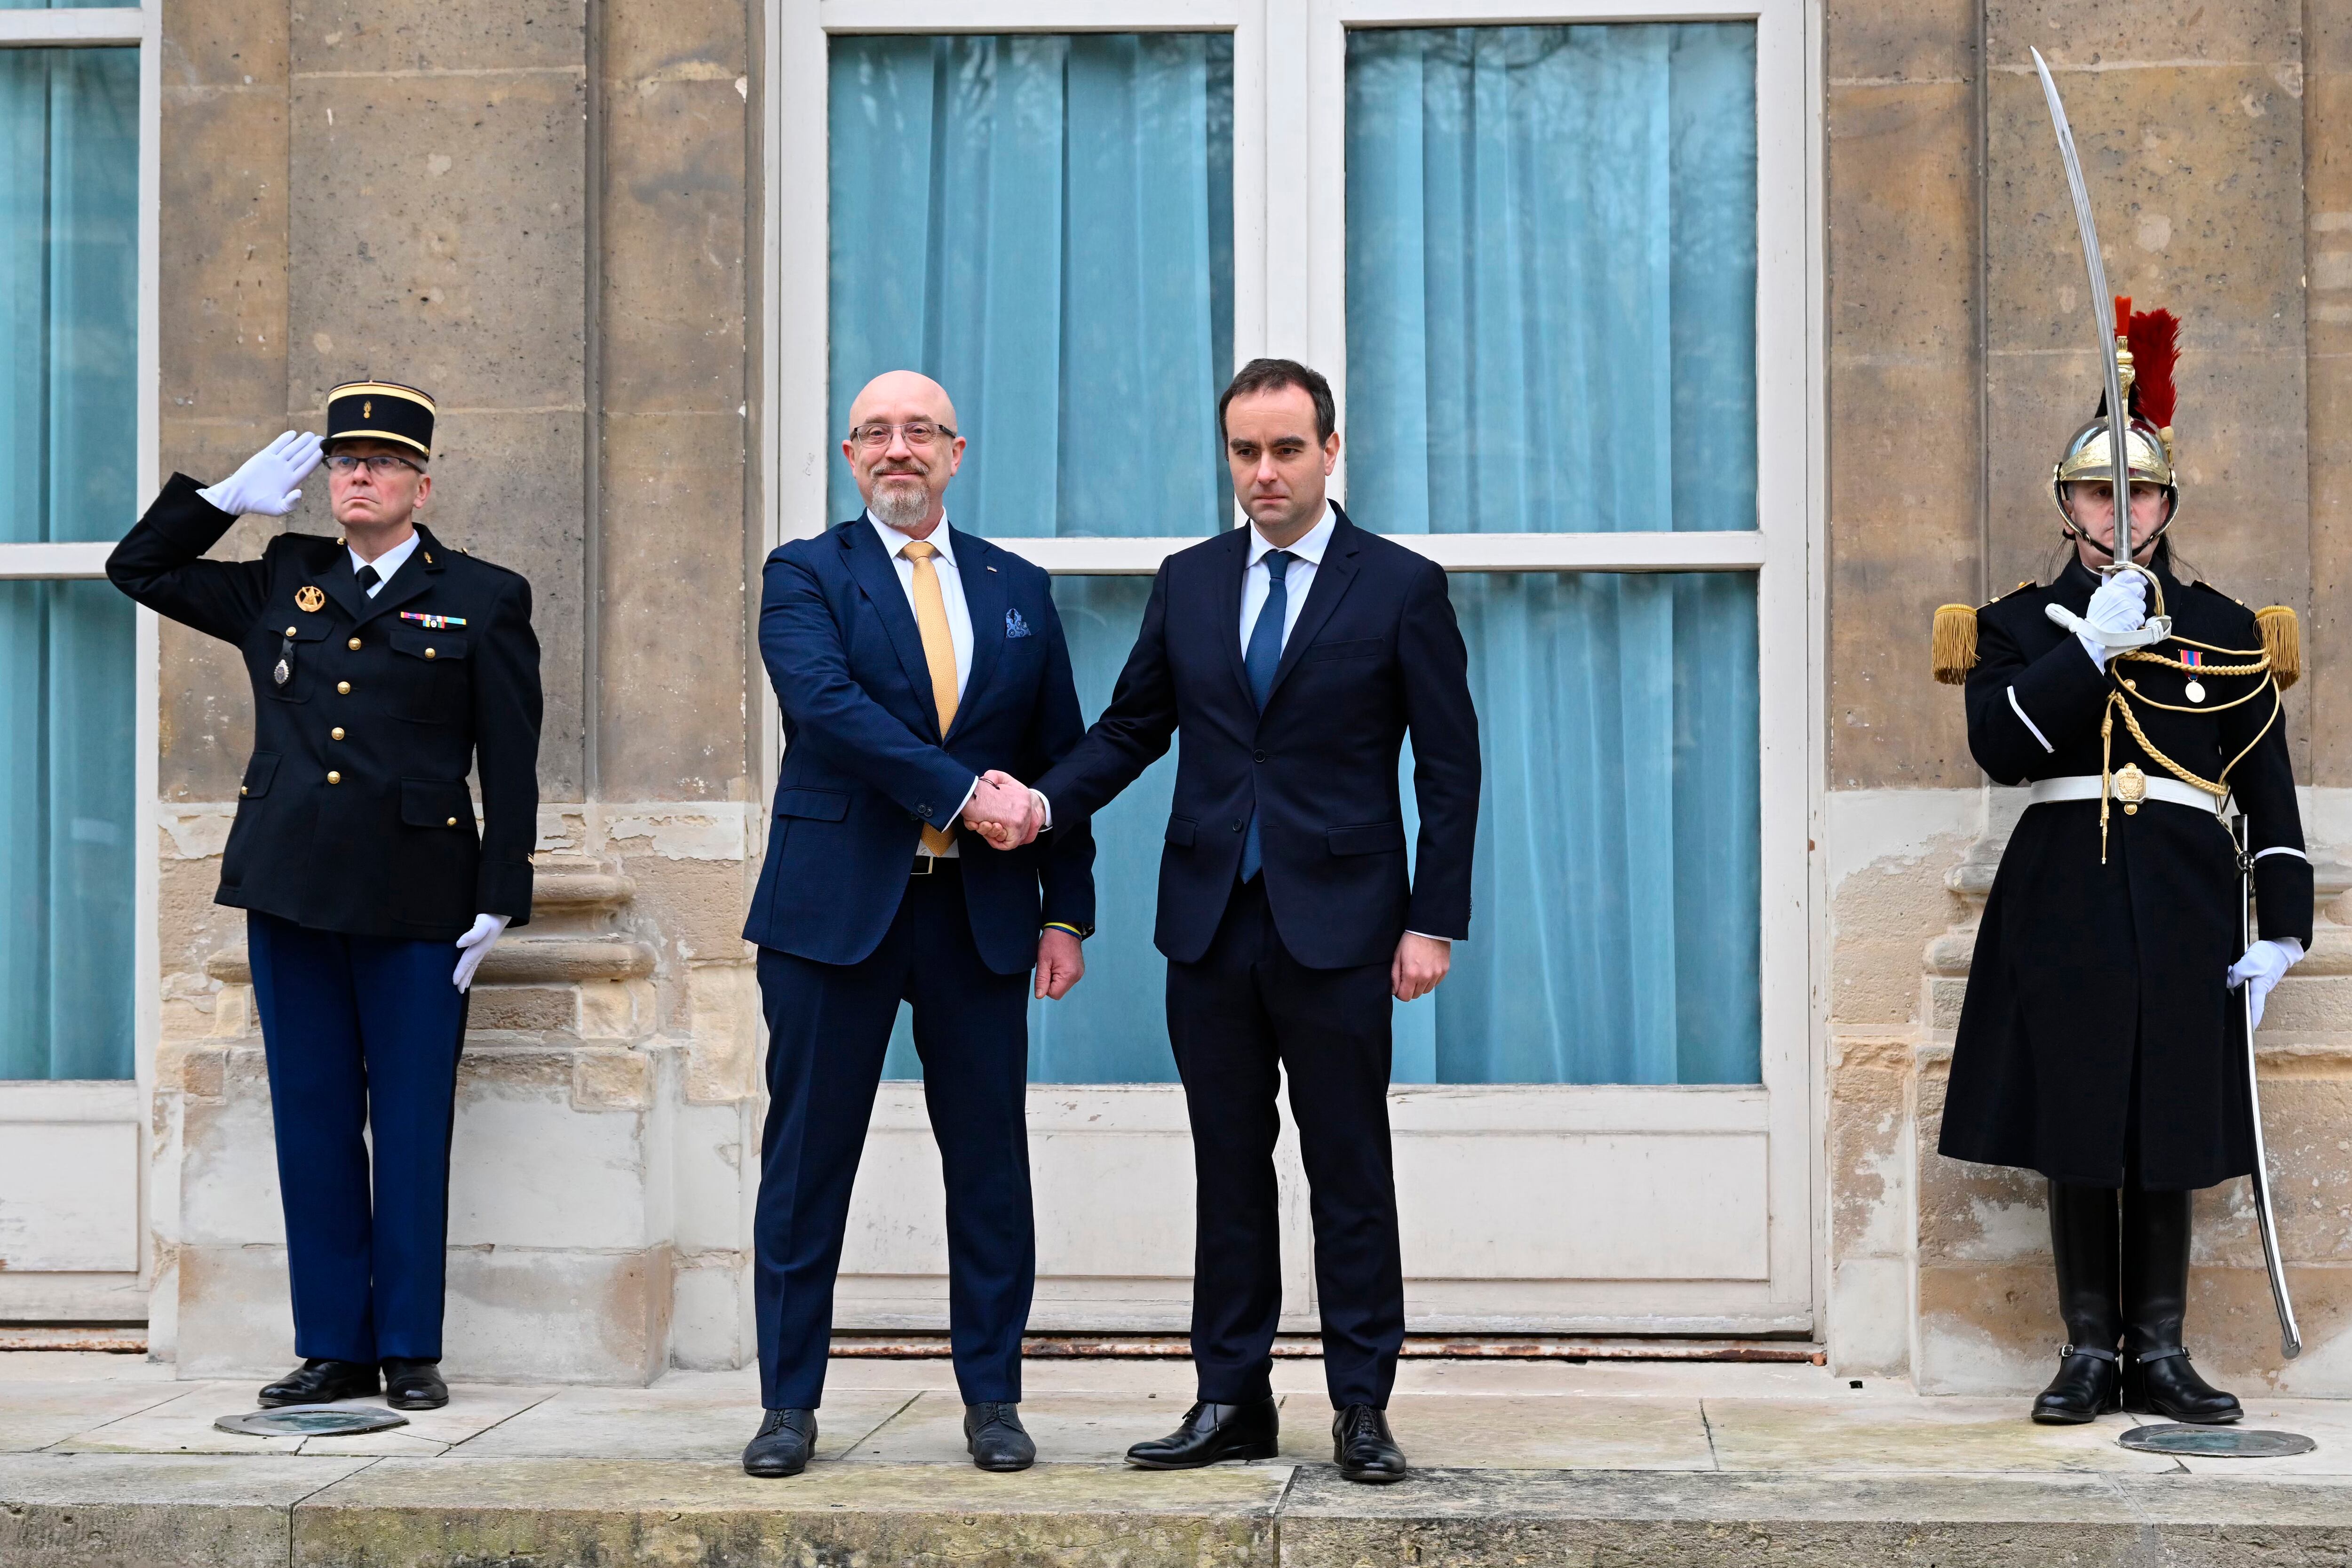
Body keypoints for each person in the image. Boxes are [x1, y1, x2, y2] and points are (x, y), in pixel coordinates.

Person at [982, 358, 1479, 1483]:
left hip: (1345, 925)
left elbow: (1450, 767)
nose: (1264, 472)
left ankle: (1361, 1403)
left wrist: (1431, 919)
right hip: (1208, 925)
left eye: (1286, 449)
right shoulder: (1191, 579)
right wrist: (1044, 800)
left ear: (1329, 450)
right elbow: (1131, 726)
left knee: (1348, 1165)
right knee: (1226, 1164)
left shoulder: (1399, 585)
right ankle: (1230, 1394)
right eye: (1245, 452)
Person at [106, 382, 542, 1413]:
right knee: (311, 1117)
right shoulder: (284, 577)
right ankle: (333, 1345)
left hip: (420, 899)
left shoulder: (483, 594)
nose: (359, 474)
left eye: (383, 462)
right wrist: (221, 499)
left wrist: (501, 895)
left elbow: (513, 762)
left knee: (412, 1121)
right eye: (345, 461)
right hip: (294, 887)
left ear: (421, 484)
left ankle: (410, 1345)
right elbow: (140, 568)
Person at [1933, 306, 2309, 1425]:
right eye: (2097, 493)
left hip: (2188, 904)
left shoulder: (2228, 627)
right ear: (2066, 503)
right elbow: (2001, 749)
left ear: (2166, 503)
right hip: (2065, 895)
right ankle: (2087, 1348)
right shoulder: (2016, 623)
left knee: (2170, 1122)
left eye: (2137, 493)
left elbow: (2266, 789)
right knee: (2082, 1118)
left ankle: (2162, 1348)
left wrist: (2283, 925)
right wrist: (2084, 646)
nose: (2118, 511)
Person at [738, 370, 1095, 1479]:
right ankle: (788, 1403)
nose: (900, 449)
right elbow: (828, 710)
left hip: (979, 918)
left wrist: (1067, 909)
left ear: (956, 451)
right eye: (876, 433)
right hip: (831, 911)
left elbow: (1055, 755)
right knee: (806, 1164)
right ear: (851, 456)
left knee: (989, 1164)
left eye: (921, 433)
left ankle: (992, 1395)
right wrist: (960, 792)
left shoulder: (1018, 587)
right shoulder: (806, 571)